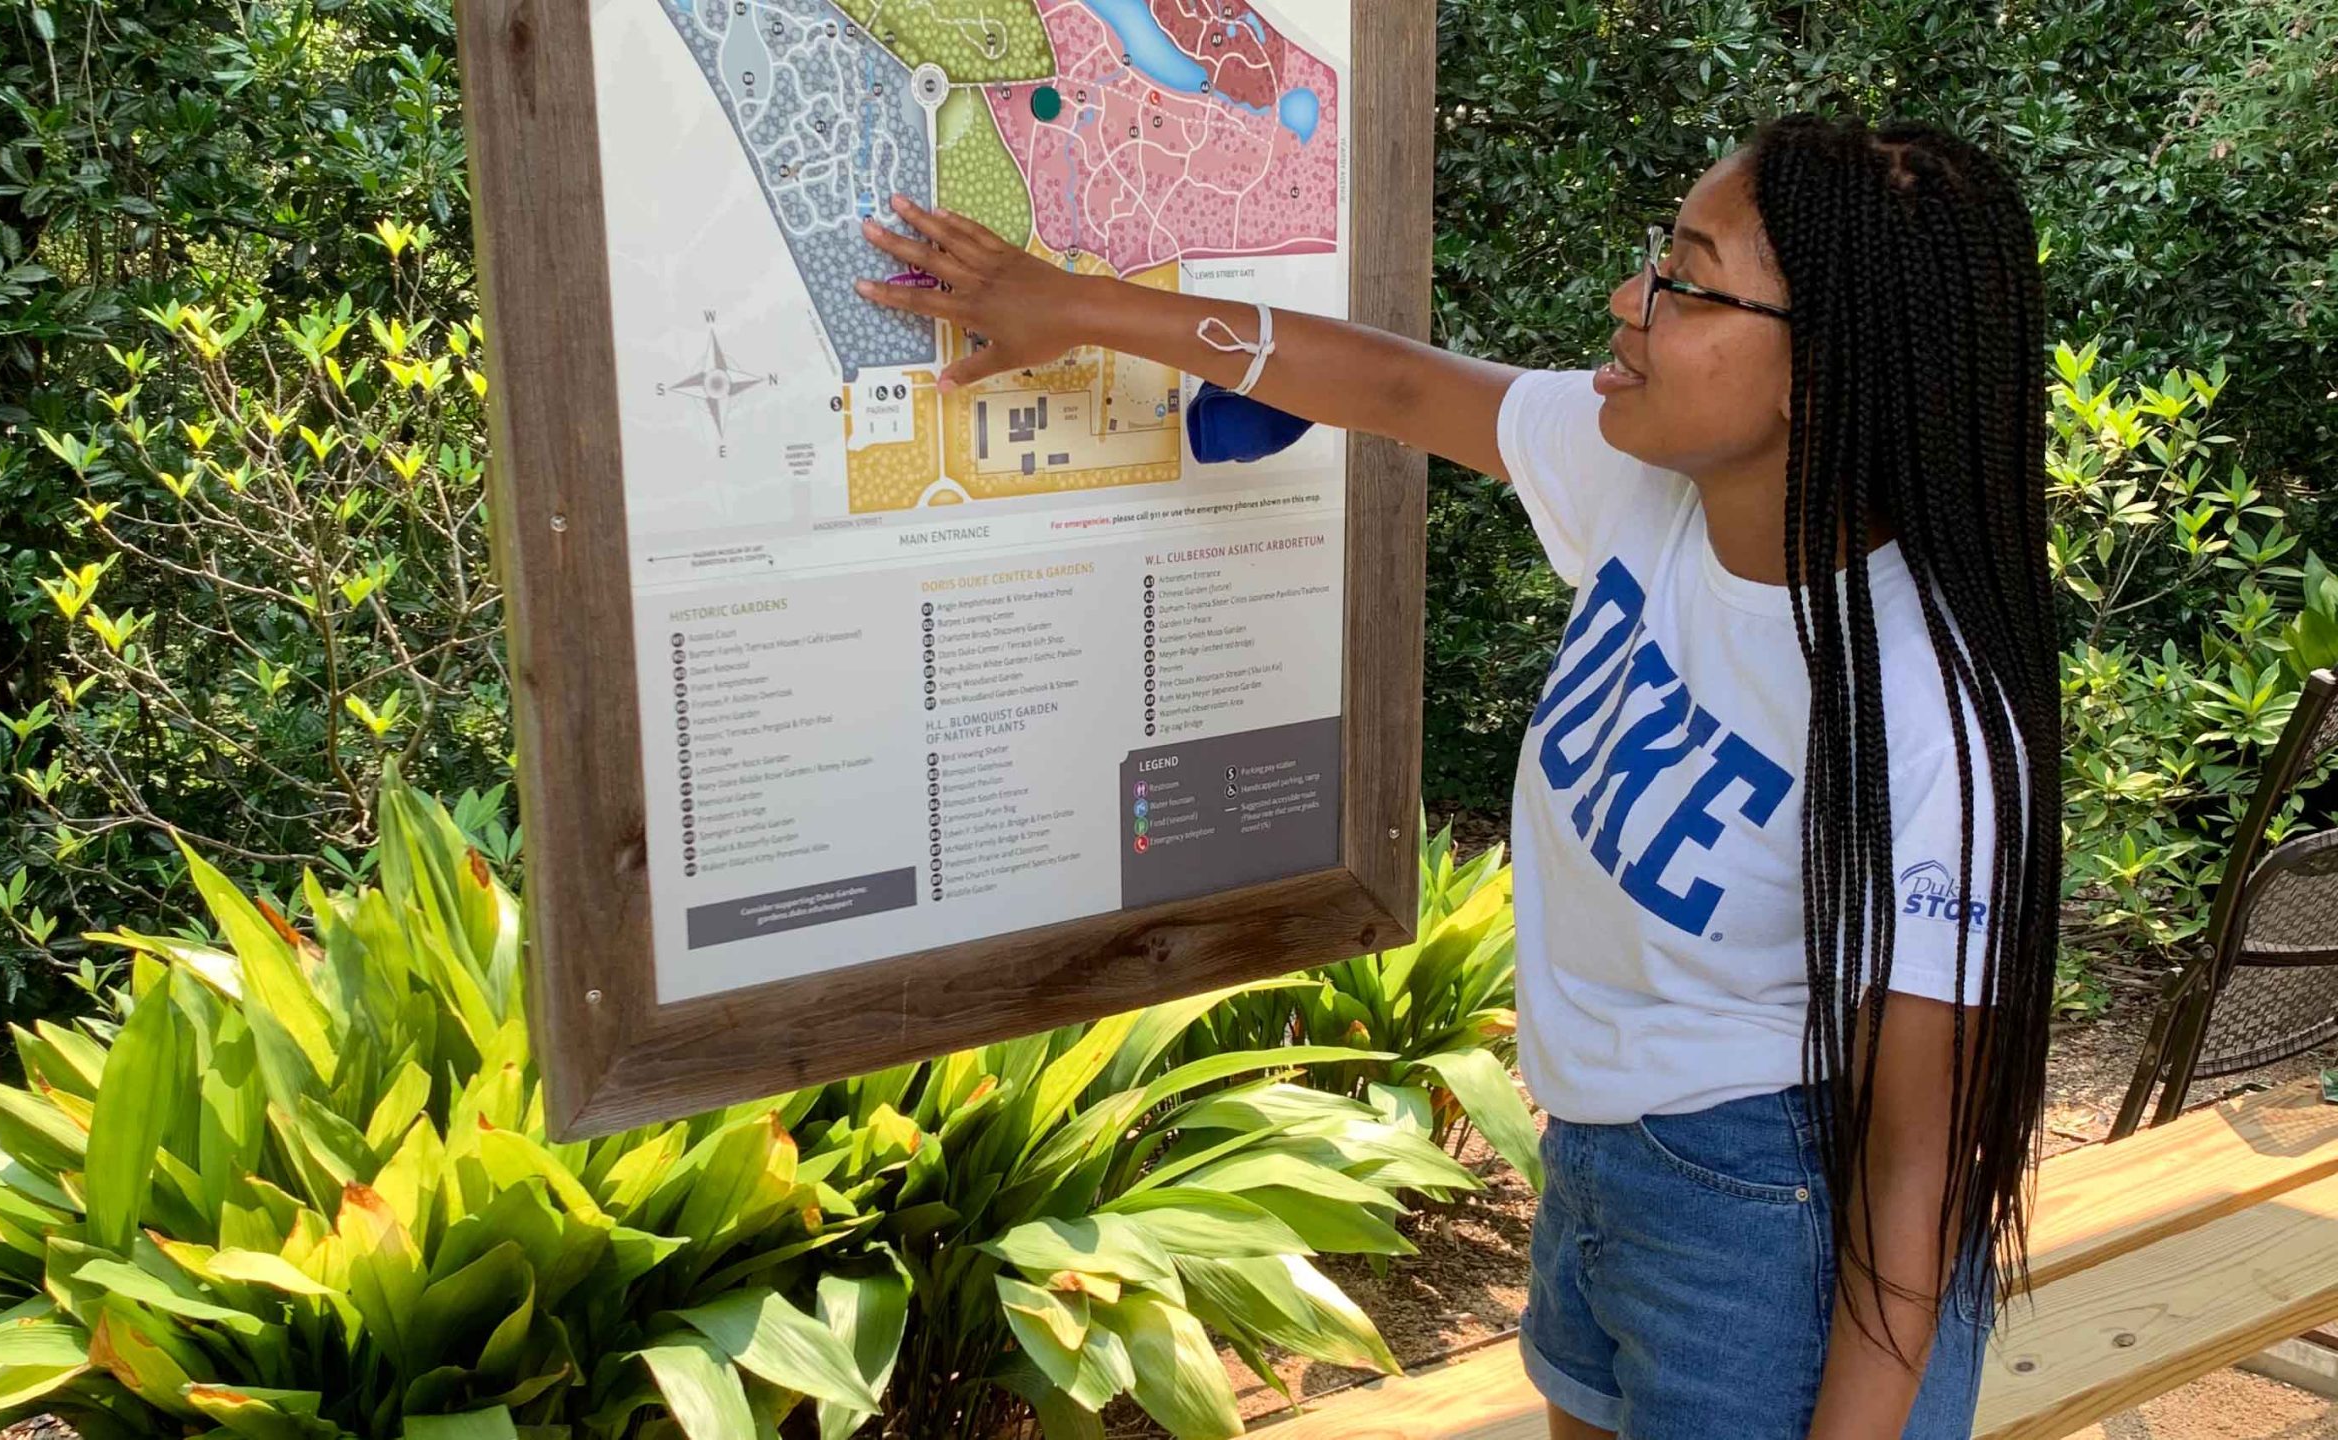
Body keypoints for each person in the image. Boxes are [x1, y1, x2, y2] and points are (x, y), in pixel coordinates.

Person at [856, 109, 2058, 1439]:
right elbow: (1393, 386)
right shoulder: (1644, 486)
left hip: (1766, 1230)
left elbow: (1920, 1170)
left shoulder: (1930, 712)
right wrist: (1067, 306)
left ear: (1822, 374)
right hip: (1607, 1156)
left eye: (1686, 277)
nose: (1628, 300)